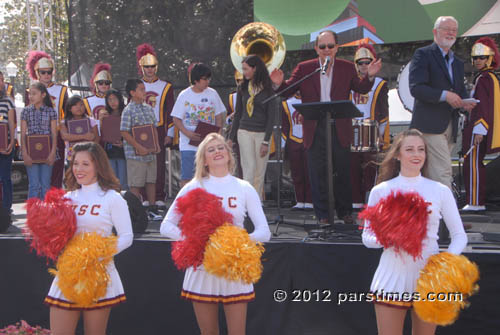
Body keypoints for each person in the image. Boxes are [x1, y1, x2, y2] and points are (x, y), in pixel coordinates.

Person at [160, 132, 271, 335]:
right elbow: (166, 226)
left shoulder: (244, 188)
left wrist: (233, 243)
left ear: (229, 155)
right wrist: (198, 241)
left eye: (221, 148)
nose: (217, 152)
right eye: (210, 150)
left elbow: (264, 232)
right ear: (204, 159)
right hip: (203, 267)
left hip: (234, 266)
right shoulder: (193, 187)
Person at [362, 129, 467, 335]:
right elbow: (367, 237)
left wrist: (444, 262)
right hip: (391, 278)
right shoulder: (381, 190)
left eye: (421, 149)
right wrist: (389, 239)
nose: (416, 154)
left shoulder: (440, 190)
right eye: (409, 149)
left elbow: (459, 235)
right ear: (398, 155)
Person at [270, 30, 381, 224]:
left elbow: (361, 88)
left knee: (342, 170)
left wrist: (369, 77)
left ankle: (345, 212)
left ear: (337, 48)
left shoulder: (346, 68)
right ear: (316, 49)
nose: (327, 50)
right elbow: (287, 91)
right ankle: (322, 215)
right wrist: (278, 84)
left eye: (330, 46)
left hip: (339, 126)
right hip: (315, 126)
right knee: (317, 171)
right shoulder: (306, 68)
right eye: (322, 47)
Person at [44, 142, 133, 335]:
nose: (78, 169)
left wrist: (97, 254)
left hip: (98, 274)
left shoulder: (112, 198)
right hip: (68, 274)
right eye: (75, 163)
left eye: (85, 164)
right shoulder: (67, 198)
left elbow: (127, 237)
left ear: (98, 165)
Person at [409, 16, 476, 190]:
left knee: (432, 173)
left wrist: (465, 102)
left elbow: (459, 91)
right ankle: (447, 213)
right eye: (446, 29)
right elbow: (416, 89)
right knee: (443, 170)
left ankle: (430, 212)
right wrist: (444, 95)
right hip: (429, 125)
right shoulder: (422, 55)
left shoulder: (458, 62)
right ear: (435, 32)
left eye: (454, 30)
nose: (451, 33)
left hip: (450, 125)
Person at [228, 55, 277, 200]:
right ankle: (247, 202)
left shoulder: (269, 89)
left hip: (262, 133)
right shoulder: (242, 87)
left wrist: (266, 141)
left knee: (259, 172)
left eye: (246, 69)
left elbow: (271, 118)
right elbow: (238, 115)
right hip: (244, 131)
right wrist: (231, 138)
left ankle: (257, 202)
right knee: (248, 169)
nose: (243, 72)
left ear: (255, 69)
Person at [461, 37, 500, 212]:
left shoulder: (484, 78)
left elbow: (484, 107)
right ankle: (475, 200)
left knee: (473, 164)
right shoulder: (488, 77)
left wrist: (479, 130)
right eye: (475, 58)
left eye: (482, 57)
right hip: (479, 127)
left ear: (490, 57)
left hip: (478, 128)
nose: (478, 61)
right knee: (473, 163)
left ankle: (475, 202)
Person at [171, 63, 225, 188]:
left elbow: (218, 116)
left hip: (208, 143)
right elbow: (176, 119)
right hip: (189, 144)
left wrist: (217, 136)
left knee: (209, 175)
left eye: (209, 79)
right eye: (204, 79)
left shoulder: (213, 93)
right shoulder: (184, 95)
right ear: (195, 80)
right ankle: (187, 202)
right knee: (188, 176)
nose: (207, 82)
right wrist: (188, 133)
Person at [350, 43, 389, 207]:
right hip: (351, 131)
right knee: (352, 169)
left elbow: (384, 111)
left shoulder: (380, 83)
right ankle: (355, 202)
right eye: (361, 62)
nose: (365, 66)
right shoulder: (350, 82)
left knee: (370, 168)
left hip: (372, 131)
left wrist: (381, 134)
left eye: (368, 62)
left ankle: (370, 203)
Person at [136, 43, 175, 206]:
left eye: (152, 66)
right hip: (140, 129)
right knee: (142, 163)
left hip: (158, 128)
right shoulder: (136, 86)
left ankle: (159, 196)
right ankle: (144, 197)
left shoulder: (166, 86)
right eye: (146, 66)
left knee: (158, 164)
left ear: (156, 67)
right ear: (141, 67)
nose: (150, 69)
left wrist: (170, 133)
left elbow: (170, 111)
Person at [26, 51, 68, 189]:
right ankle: (39, 207)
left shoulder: (62, 90)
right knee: (37, 178)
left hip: (56, 135)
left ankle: (54, 205)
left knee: (56, 172)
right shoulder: (31, 91)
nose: (46, 75)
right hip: (36, 136)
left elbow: (67, 114)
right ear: (37, 72)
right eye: (43, 72)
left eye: (49, 72)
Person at [120, 79, 159, 216]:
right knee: (136, 183)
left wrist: (156, 145)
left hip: (150, 153)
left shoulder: (148, 108)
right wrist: (138, 147)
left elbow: (153, 128)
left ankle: (152, 208)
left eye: (144, 89)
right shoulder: (128, 111)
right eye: (141, 89)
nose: (144, 92)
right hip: (135, 154)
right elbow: (124, 131)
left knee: (151, 180)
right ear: (132, 93)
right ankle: (135, 211)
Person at [20, 82, 58, 200]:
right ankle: (33, 215)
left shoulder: (51, 111)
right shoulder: (25, 111)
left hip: (47, 152)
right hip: (31, 152)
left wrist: (52, 153)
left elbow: (54, 133)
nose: (31, 96)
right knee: (34, 185)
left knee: (45, 184)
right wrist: (25, 153)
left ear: (43, 95)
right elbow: (23, 134)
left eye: (34, 94)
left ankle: (45, 214)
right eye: (29, 94)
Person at [281, 93, 313, 210]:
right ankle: (299, 200)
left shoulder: (311, 100)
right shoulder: (286, 103)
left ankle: (310, 200)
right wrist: (284, 143)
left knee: (310, 171)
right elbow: (285, 126)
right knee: (296, 172)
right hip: (293, 141)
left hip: (309, 140)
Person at [99, 89, 128, 191]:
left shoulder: (125, 112)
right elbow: (102, 134)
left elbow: (131, 131)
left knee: (123, 179)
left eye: (115, 99)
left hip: (123, 151)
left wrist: (124, 143)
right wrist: (101, 120)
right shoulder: (105, 114)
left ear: (120, 99)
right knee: (112, 178)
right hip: (109, 150)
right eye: (109, 99)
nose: (112, 102)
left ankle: (124, 202)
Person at [60, 95, 99, 161]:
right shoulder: (64, 122)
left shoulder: (91, 120)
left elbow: (96, 138)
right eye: (75, 105)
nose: (79, 107)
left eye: (81, 105)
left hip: (88, 154)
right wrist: (84, 136)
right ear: (69, 108)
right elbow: (65, 136)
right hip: (72, 154)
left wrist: (93, 152)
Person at [0, 71, 16, 215]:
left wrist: (11, 142)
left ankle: (6, 209)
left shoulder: (8, 100)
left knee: (5, 178)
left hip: (5, 146)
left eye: (1, 80)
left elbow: (11, 123)